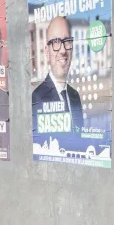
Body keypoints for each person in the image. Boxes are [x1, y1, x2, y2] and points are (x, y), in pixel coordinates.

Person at [32, 16, 83, 147]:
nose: (62, 50)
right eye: (55, 42)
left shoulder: (75, 96)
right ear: (47, 52)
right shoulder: (36, 98)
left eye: (67, 41)